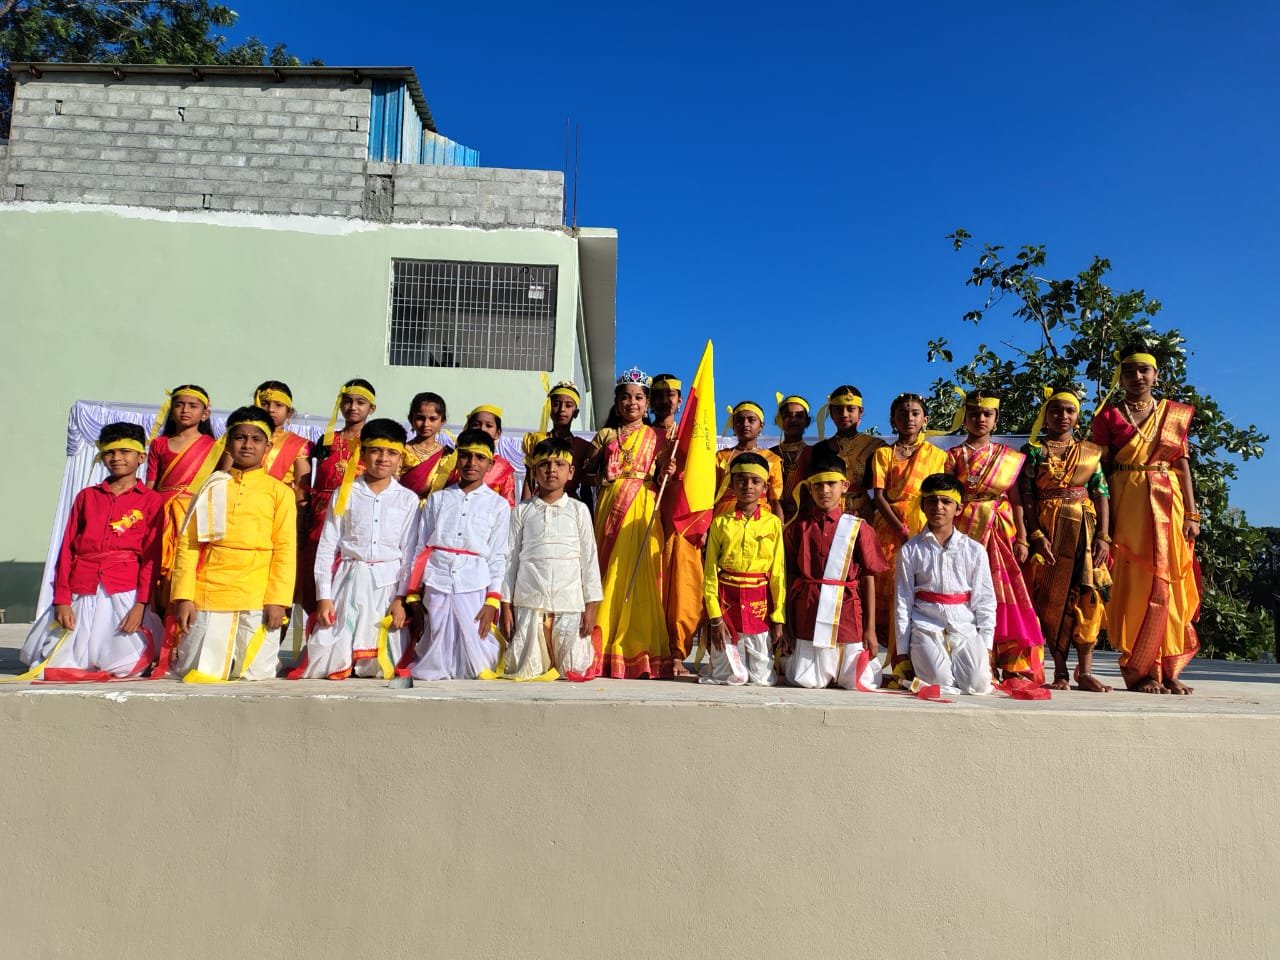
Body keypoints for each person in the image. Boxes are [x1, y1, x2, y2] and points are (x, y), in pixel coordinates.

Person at [1092, 343, 1200, 695]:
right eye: (1129, 371)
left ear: (1156, 375)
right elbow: (1100, 473)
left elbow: (1182, 464)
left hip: (1170, 502)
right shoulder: (1108, 417)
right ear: (1120, 377)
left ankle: (1169, 668)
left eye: (1144, 370)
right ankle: (1143, 670)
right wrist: (1102, 524)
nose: (1137, 377)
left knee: (1171, 582)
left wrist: (1193, 513)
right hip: (1128, 505)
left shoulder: (1172, 414)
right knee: (1137, 584)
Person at [21, 423, 164, 681]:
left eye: (124, 451)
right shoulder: (86, 497)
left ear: (141, 457)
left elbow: (151, 557)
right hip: (83, 584)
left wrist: (140, 605)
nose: (116, 458)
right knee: (60, 660)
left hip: (124, 588)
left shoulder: (151, 500)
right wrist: (62, 599)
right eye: (109, 452)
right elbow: (67, 549)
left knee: (124, 664)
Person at [168, 407, 297, 682]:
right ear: (228, 443)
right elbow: (188, 545)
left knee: (255, 674)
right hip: (208, 591)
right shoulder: (210, 487)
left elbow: (285, 550)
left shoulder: (280, 493)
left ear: (267, 447)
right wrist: (184, 596)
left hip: (256, 593)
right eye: (240, 437)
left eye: (256, 439)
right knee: (197, 671)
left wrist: (278, 601)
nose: (247, 444)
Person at [291, 419, 419, 680]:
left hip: (387, 586)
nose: (383, 459)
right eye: (376, 451)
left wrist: (401, 598)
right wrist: (324, 596)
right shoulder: (345, 493)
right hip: (348, 582)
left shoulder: (407, 499)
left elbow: (409, 554)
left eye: (391, 453)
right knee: (326, 660)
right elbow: (327, 546)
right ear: (362, 453)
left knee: (382, 665)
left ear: (400, 458)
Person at [945, 389, 1044, 683]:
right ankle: (978, 663)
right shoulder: (952, 456)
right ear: (965, 418)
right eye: (974, 414)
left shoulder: (1008, 458)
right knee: (967, 594)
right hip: (964, 528)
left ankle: (1014, 663)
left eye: (987, 414)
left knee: (1005, 594)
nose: (980, 419)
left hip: (1001, 529)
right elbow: (947, 498)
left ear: (996, 419)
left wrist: (1023, 538)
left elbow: (1016, 500)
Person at [398, 429, 510, 680]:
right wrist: (413, 591)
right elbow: (420, 547)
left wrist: (492, 600)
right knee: (436, 634)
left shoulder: (498, 505)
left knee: (477, 646)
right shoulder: (438, 499)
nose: (472, 463)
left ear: (490, 463)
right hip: (437, 576)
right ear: (456, 459)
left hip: (474, 581)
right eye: (466, 456)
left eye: (479, 458)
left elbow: (498, 555)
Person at [1021, 388, 1113, 692]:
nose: (1063, 416)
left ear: (1077, 416)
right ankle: (1060, 671)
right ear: (1045, 415)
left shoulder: (1090, 451)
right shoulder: (1034, 451)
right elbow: (1027, 496)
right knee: (1051, 598)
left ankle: (1085, 672)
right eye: (1056, 410)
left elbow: (1101, 492)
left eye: (1069, 411)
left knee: (1089, 596)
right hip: (1048, 530)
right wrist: (1036, 534)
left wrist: (1104, 536)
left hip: (1085, 531)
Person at [587, 368, 675, 678]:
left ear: (647, 403)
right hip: (611, 503)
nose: (632, 403)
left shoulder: (657, 437)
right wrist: (602, 476)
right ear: (617, 402)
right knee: (609, 570)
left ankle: (638, 649)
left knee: (641, 575)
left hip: (642, 506)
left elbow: (663, 477)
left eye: (638, 398)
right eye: (625, 397)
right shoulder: (606, 436)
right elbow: (584, 474)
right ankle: (603, 645)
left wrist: (667, 471)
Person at [496, 437, 603, 681]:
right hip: (530, 602)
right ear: (534, 472)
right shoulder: (522, 511)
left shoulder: (579, 510)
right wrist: (506, 607)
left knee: (573, 669)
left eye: (559, 464)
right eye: (544, 464)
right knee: (527, 669)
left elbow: (589, 559)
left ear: (571, 472)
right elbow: (510, 560)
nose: (551, 470)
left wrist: (591, 607)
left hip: (570, 602)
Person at [782, 449, 887, 690]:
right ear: (809, 489)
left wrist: (870, 629)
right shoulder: (797, 528)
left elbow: (868, 577)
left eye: (831, 483)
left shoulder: (859, 528)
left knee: (856, 681)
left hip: (847, 611)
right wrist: (787, 625)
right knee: (807, 681)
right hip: (808, 609)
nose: (825, 491)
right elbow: (790, 576)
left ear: (844, 486)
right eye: (818, 485)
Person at [869, 393, 949, 686]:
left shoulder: (938, 456)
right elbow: (879, 496)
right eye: (902, 413)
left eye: (915, 413)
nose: (909, 418)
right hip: (889, 528)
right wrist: (901, 530)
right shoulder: (883, 454)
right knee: (892, 595)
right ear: (893, 420)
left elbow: (939, 497)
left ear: (925, 419)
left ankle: (921, 661)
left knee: (920, 594)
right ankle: (896, 662)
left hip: (924, 526)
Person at [894, 474, 996, 696]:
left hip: (964, 626)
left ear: (958, 508)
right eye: (931, 501)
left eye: (946, 501)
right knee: (940, 684)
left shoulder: (974, 550)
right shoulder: (911, 550)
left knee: (978, 685)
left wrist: (986, 645)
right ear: (923, 506)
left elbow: (985, 600)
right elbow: (903, 601)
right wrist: (902, 652)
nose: (938, 507)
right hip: (925, 625)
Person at [701, 452, 785, 685]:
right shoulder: (720, 523)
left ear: (765, 487)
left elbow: (778, 573)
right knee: (732, 676)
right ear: (731, 484)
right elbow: (710, 574)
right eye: (741, 480)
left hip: (759, 606)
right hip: (726, 604)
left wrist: (778, 618)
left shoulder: (773, 524)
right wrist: (715, 618)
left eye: (755, 481)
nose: (748, 486)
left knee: (762, 680)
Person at [302, 379, 376, 616]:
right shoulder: (326, 441)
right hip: (321, 516)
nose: (353, 407)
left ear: (371, 408)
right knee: (316, 576)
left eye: (360, 402)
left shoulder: (374, 444)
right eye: (348, 401)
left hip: (357, 515)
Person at [145, 384, 220, 612]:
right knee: (156, 565)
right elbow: (151, 484)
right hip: (162, 514)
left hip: (193, 513)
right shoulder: (159, 444)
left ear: (205, 413)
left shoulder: (214, 447)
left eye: (192, 406)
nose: (185, 410)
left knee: (186, 564)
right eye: (179, 405)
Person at [651, 373, 703, 673]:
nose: (663, 400)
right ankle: (648, 650)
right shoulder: (641, 434)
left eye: (669, 394)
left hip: (682, 521)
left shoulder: (689, 436)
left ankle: (677, 653)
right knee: (651, 586)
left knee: (683, 589)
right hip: (647, 519)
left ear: (680, 400)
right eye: (657, 395)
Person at [797, 385, 884, 520]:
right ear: (831, 413)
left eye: (850, 409)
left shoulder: (877, 447)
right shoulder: (819, 449)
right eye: (838, 409)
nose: (844, 414)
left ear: (860, 411)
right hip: (827, 513)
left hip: (863, 513)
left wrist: (870, 507)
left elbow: (887, 489)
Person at [520, 381, 594, 509]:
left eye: (568, 405)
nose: (562, 409)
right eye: (556, 404)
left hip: (570, 505)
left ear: (576, 412)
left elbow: (585, 487)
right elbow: (529, 479)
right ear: (549, 409)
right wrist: (524, 510)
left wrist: (589, 515)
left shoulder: (582, 446)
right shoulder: (536, 441)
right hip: (540, 502)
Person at [714, 401, 783, 518]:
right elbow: (710, 493)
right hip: (724, 518)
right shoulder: (721, 456)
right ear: (733, 426)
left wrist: (779, 526)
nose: (745, 424)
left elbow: (775, 499)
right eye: (739, 421)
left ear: (761, 426)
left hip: (760, 520)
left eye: (751, 420)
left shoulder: (771, 459)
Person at [251, 381, 312, 502]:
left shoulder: (299, 445)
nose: (271, 410)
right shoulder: (240, 438)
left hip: (279, 506)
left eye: (278, 405)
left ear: (289, 412)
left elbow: (301, 492)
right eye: (264, 404)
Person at [448, 405, 516, 506]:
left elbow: (509, 504)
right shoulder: (453, 461)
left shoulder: (503, 468)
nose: (482, 429)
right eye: (476, 424)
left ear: (497, 433)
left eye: (488, 426)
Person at [399, 391, 455, 501]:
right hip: (403, 505)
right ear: (411, 419)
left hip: (435, 508)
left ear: (442, 421)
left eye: (433, 419)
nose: (426, 424)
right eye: (420, 418)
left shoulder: (447, 455)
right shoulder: (401, 451)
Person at [770, 394, 810, 524]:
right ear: (779, 420)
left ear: (807, 421)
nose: (793, 420)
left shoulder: (814, 453)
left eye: (799, 416)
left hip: (805, 521)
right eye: (787, 416)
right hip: (771, 520)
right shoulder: (769, 455)